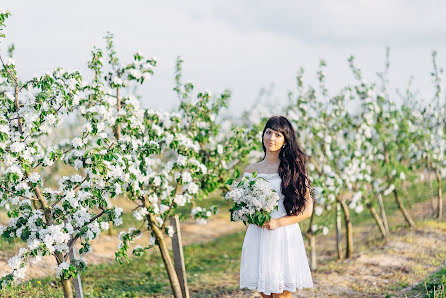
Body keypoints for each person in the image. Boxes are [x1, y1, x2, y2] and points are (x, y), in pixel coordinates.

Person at [239, 115, 314, 298]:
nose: (271, 138)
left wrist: (278, 223)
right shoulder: (251, 170)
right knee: (265, 294)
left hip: (283, 236)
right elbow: (243, 207)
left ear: (286, 140)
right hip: (259, 235)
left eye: (278, 134)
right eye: (268, 132)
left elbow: (307, 210)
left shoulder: (294, 169)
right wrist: (253, 218)